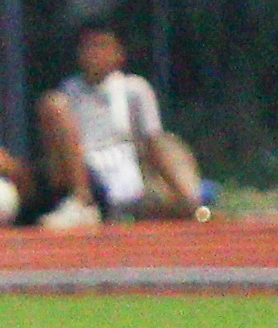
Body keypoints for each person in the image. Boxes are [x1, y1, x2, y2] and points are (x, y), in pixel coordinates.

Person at [32, 24, 206, 226]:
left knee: (171, 146)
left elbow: (153, 145)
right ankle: (81, 200)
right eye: (88, 47)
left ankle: (92, 204)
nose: (94, 53)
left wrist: (183, 195)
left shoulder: (134, 89)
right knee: (52, 104)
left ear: (118, 54)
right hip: (81, 172)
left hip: (119, 179)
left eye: (102, 46)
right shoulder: (68, 91)